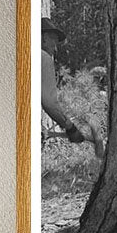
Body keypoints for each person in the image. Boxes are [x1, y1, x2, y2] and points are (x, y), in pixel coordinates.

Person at [40, 17, 100, 148]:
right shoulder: (42, 57)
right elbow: (49, 103)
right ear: (44, 37)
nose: (55, 49)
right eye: (53, 41)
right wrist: (70, 127)